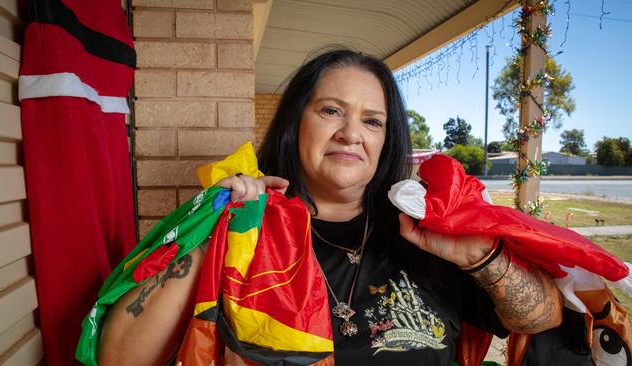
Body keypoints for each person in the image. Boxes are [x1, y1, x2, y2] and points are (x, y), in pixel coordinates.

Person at [98, 48, 562, 365]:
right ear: (294, 125)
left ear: (386, 139)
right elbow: (118, 358)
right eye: (331, 111)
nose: (351, 133)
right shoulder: (243, 235)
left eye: (372, 120)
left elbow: (541, 318)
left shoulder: (428, 234)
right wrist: (213, 229)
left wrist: (479, 257)